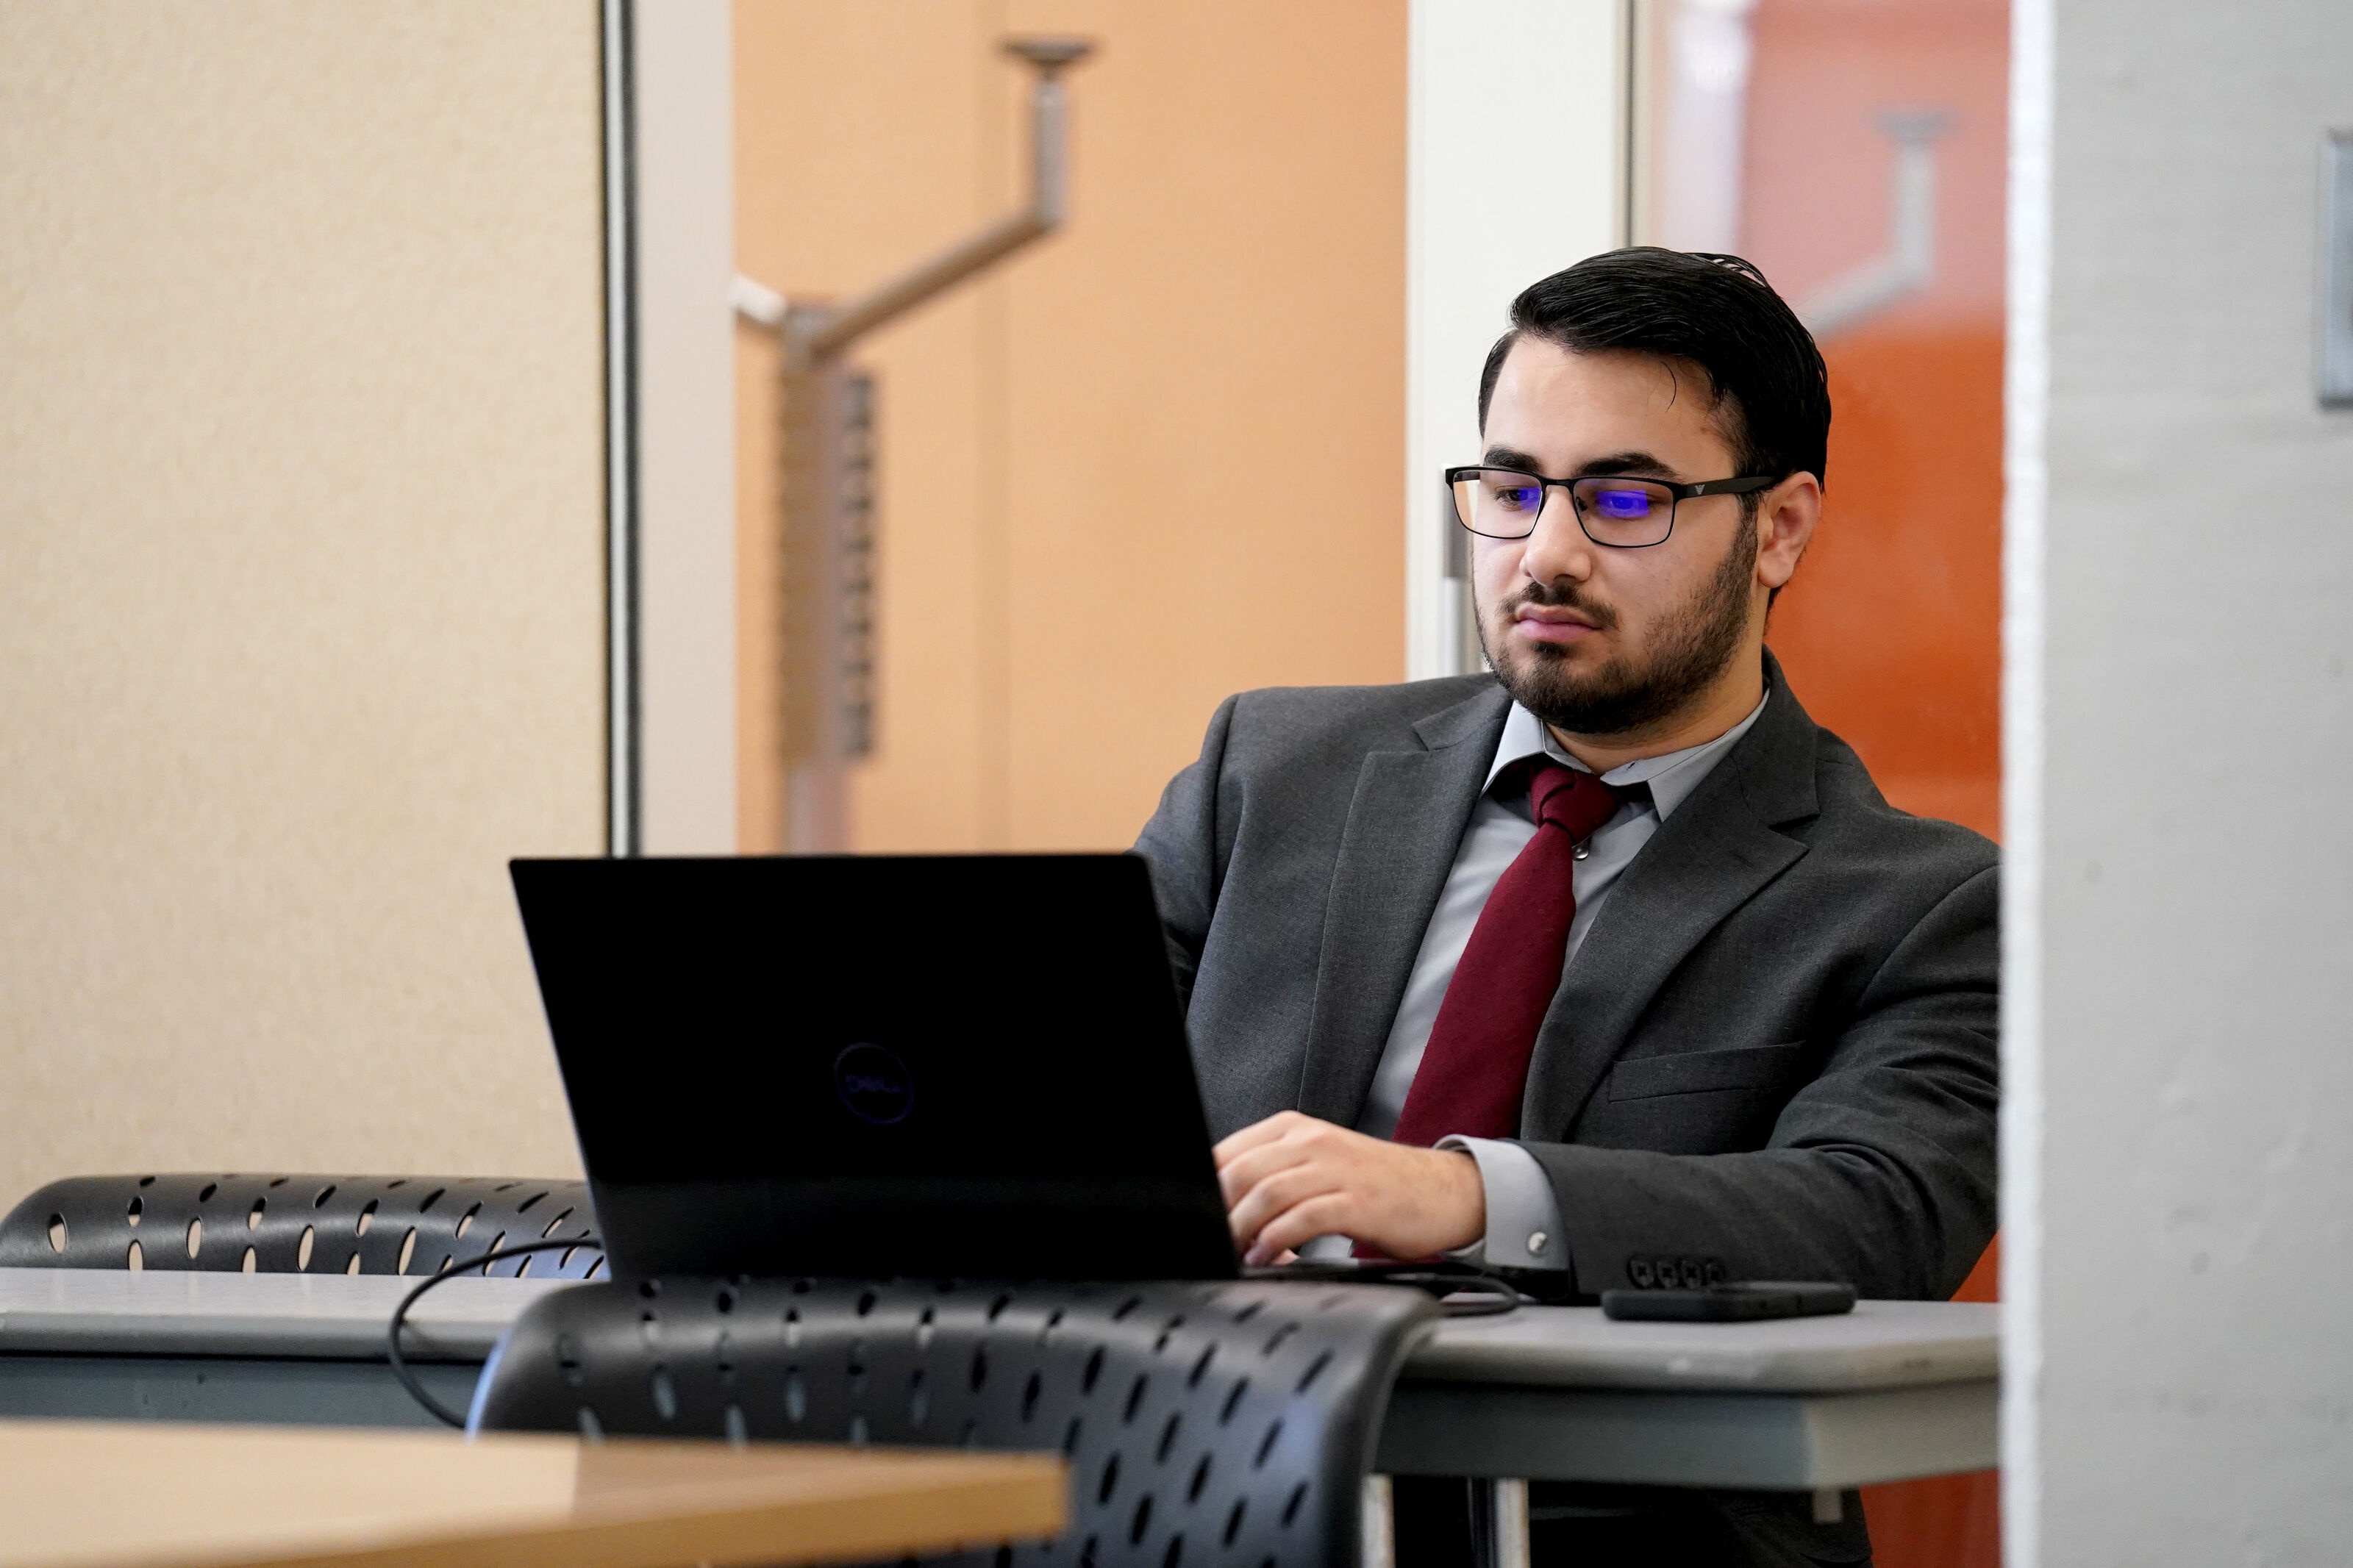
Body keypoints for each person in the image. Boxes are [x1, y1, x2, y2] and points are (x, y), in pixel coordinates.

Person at [1132, 247, 1998, 1566]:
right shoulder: (1266, 775)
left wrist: (1469, 1196)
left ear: (1780, 528)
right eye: (1512, 487)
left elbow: (1870, 1213)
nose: (1547, 552)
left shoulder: (1917, 903)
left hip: (1629, 1528)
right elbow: (1060, 1110)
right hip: (1188, 1493)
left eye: (1626, 499)